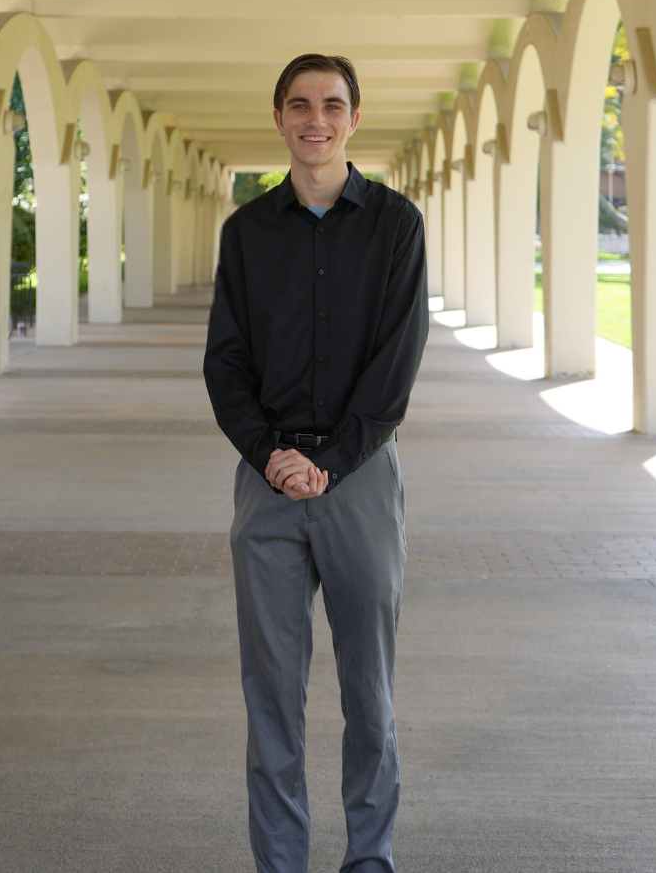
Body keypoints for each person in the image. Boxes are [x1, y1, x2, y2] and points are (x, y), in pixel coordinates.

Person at [203, 53, 428, 873]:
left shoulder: (398, 225)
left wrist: (328, 462)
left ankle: (370, 859)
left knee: (369, 695)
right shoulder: (245, 233)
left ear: (355, 118)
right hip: (267, 489)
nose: (316, 120)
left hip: (361, 481)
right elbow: (225, 364)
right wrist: (274, 458)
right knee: (272, 700)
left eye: (332, 105)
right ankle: (281, 864)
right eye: (299, 105)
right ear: (279, 119)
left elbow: (395, 367)